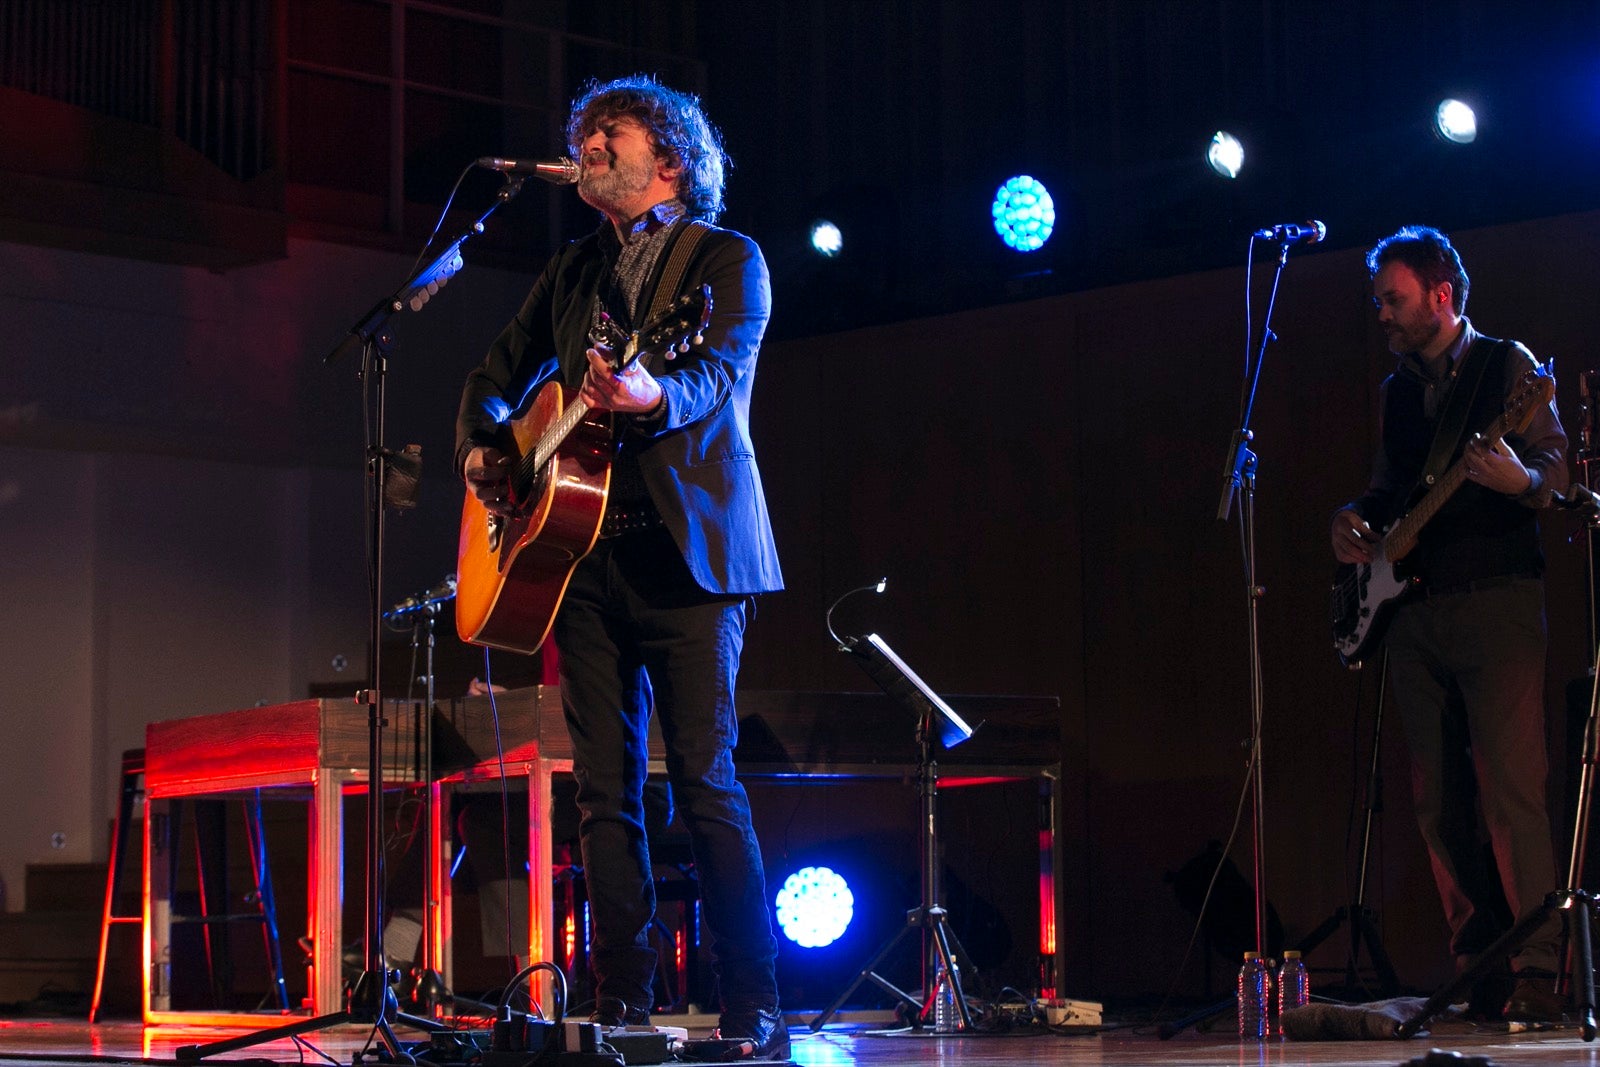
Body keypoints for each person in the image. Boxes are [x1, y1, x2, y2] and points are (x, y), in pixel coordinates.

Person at [454, 74, 787, 1060]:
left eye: (613, 132)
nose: (590, 144)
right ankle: (620, 1005)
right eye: (584, 133)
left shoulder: (727, 258)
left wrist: (652, 395)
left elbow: (716, 371)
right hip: (580, 556)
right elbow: (491, 376)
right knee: (604, 791)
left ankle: (751, 1004)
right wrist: (483, 446)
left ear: (670, 158)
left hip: (691, 558)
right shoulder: (571, 270)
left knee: (705, 779)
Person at [1331, 226, 1568, 1021]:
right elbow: (1386, 490)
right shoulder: (1397, 391)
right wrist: (1353, 521)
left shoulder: (1508, 366)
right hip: (1415, 612)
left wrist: (1519, 478)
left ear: (1441, 295)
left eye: (1392, 300)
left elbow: (1557, 467)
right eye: (1378, 301)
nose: (1382, 315)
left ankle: (1539, 967)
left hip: (1496, 600)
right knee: (1436, 801)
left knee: (1511, 790)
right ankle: (1479, 963)